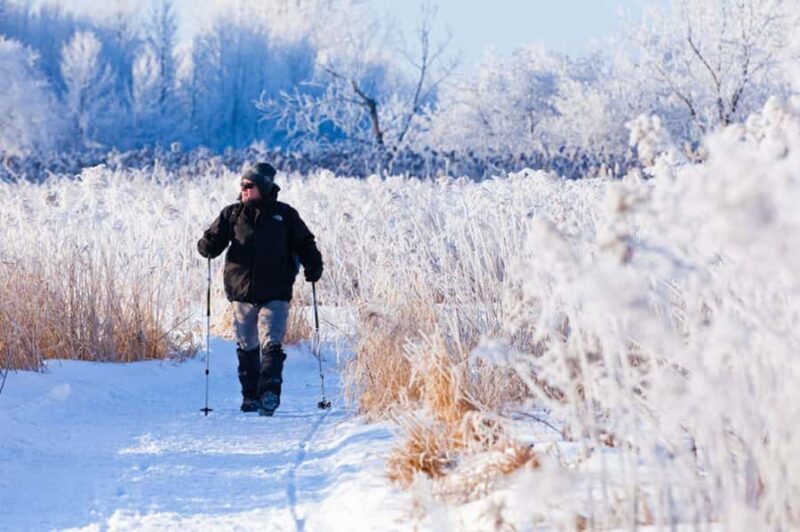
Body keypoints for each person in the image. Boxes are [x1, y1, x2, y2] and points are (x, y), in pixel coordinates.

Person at [197, 162, 323, 416]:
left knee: (272, 344)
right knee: (247, 345)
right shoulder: (231, 215)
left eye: (249, 185)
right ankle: (250, 397)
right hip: (241, 293)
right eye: (241, 185)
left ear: (263, 187)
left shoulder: (285, 215)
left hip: (276, 291)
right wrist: (207, 245)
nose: (243, 190)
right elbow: (213, 243)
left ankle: (269, 394)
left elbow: (305, 243)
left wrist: (313, 266)